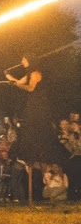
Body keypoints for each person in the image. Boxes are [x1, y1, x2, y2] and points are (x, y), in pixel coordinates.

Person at [6, 55, 66, 200]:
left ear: (30, 60)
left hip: (39, 107)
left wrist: (15, 83)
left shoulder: (35, 73)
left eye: (24, 59)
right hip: (32, 107)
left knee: (38, 133)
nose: (22, 62)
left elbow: (30, 88)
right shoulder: (28, 74)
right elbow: (19, 83)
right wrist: (10, 78)